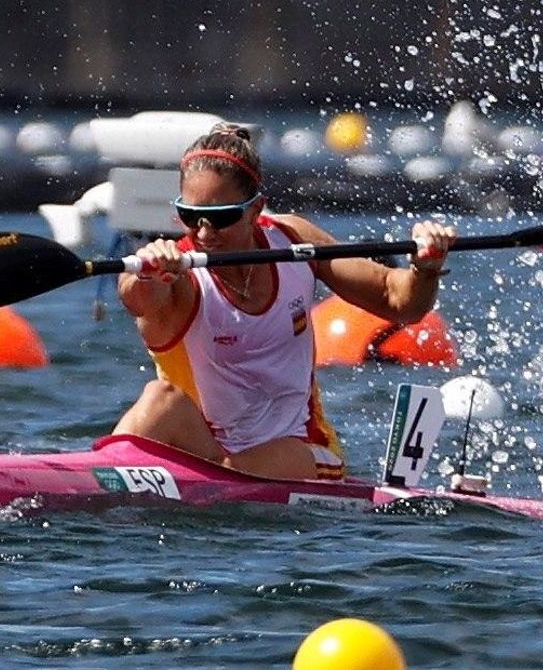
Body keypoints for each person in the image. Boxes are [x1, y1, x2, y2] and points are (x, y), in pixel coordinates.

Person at [113, 123, 455, 481]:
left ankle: (200, 482)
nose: (203, 233)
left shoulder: (293, 240)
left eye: (221, 218)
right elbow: (136, 299)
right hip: (202, 448)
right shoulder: (176, 273)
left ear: (255, 209)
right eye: (189, 217)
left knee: (280, 455)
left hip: (298, 448)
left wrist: (425, 268)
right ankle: (97, 482)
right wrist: (146, 271)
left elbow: (396, 298)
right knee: (159, 398)